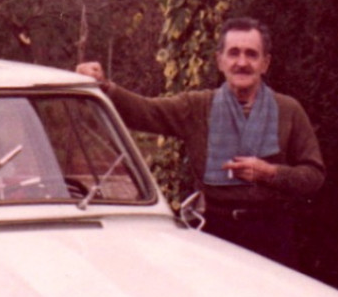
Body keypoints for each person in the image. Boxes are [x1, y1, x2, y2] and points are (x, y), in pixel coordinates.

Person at [76, 16, 324, 269]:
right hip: (215, 233)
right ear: (220, 60)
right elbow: (144, 111)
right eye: (233, 53)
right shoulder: (197, 107)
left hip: (272, 236)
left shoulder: (288, 110)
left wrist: (271, 173)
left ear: (265, 63)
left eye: (252, 54)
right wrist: (104, 86)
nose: (242, 62)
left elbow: (314, 176)